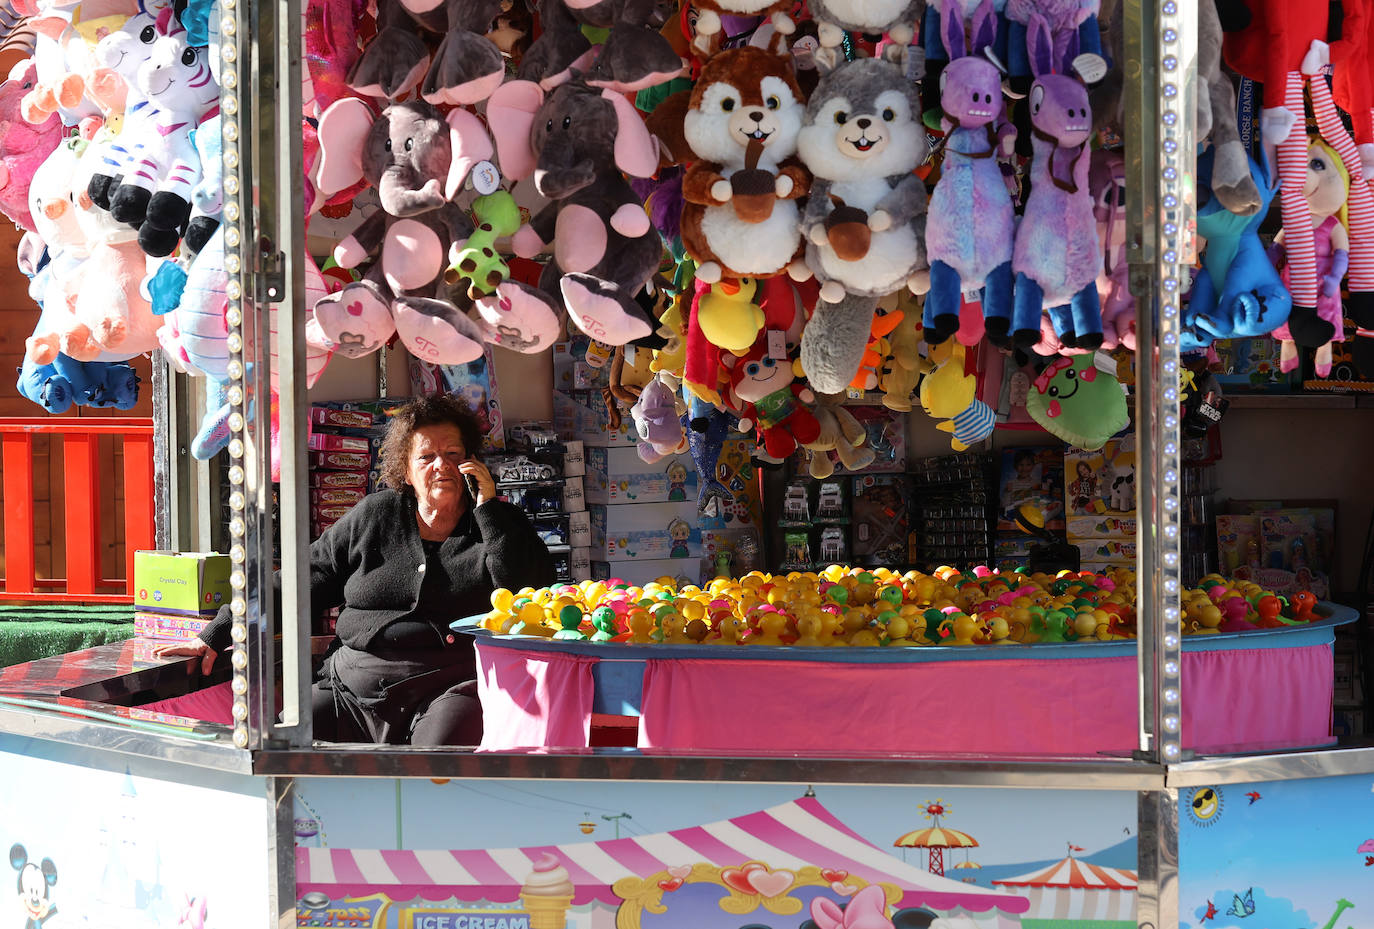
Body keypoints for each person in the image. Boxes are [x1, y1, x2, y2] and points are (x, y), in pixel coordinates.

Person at [154, 395, 556, 746]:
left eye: (453, 455)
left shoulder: (497, 524)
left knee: (439, 767)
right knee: (289, 743)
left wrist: (488, 508)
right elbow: (297, 583)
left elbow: (531, 595)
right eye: (427, 457)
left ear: (471, 460)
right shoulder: (376, 515)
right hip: (351, 691)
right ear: (406, 469)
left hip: (450, 689)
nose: (441, 466)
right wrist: (220, 629)